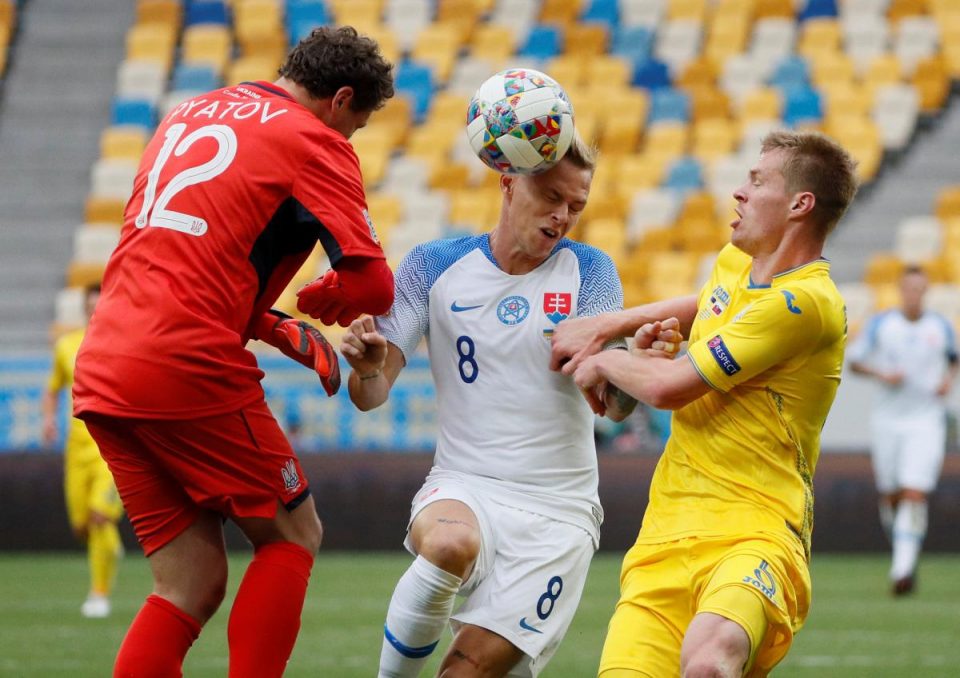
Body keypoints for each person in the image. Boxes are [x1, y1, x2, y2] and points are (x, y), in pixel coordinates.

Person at [72, 26, 395, 677]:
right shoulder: (312, 138)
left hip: (104, 361)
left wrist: (273, 327)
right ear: (340, 100)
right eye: (356, 126)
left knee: (187, 582)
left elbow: (193, 258)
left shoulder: (187, 113)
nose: (350, 139)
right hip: (185, 361)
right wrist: (327, 297)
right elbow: (373, 287)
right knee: (294, 534)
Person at [341, 134, 679, 677]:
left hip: (559, 512)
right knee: (449, 544)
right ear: (508, 184)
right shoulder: (432, 265)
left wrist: (636, 369)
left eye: (576, 205)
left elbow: (613, 406)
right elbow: (370, 395)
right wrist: (365, 368)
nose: (562, 216)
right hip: (464, 484)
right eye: (551, 197)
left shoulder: (590, 272)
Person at [550, 130, 859, 677]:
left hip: (756, 533)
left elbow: (671, 389)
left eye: (757, 181)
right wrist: (619, 328)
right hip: (664, 536)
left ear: (799, 204)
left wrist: (606, 360)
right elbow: (707, 305)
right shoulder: (737, 264)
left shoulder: (804, 302)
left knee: (709, 661)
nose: (739, 192)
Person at [848, 265, 957, 595]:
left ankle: (902, 569)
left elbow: (954, 357)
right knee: (893, 494)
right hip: (888, 421)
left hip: (926, 420)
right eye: (909, 288)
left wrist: (947, 381)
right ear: (901, 290)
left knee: (914, 491)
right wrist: (881, 374)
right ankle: (905, 551)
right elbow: (854, 361)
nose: (914, 295)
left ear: (926, 292)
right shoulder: (882, 324)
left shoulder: (940, 326)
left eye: (919, 289)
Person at [42, 283, 124, 618]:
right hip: (77, 450)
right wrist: (49, 420)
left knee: (99, 515)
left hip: (113, 450)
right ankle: (110, 546)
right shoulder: (66, 345)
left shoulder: (124, 342)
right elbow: (53, 389)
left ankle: (99, 594)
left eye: (99, 304)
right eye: (89, 305)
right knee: (82, 527)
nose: (94, 310)